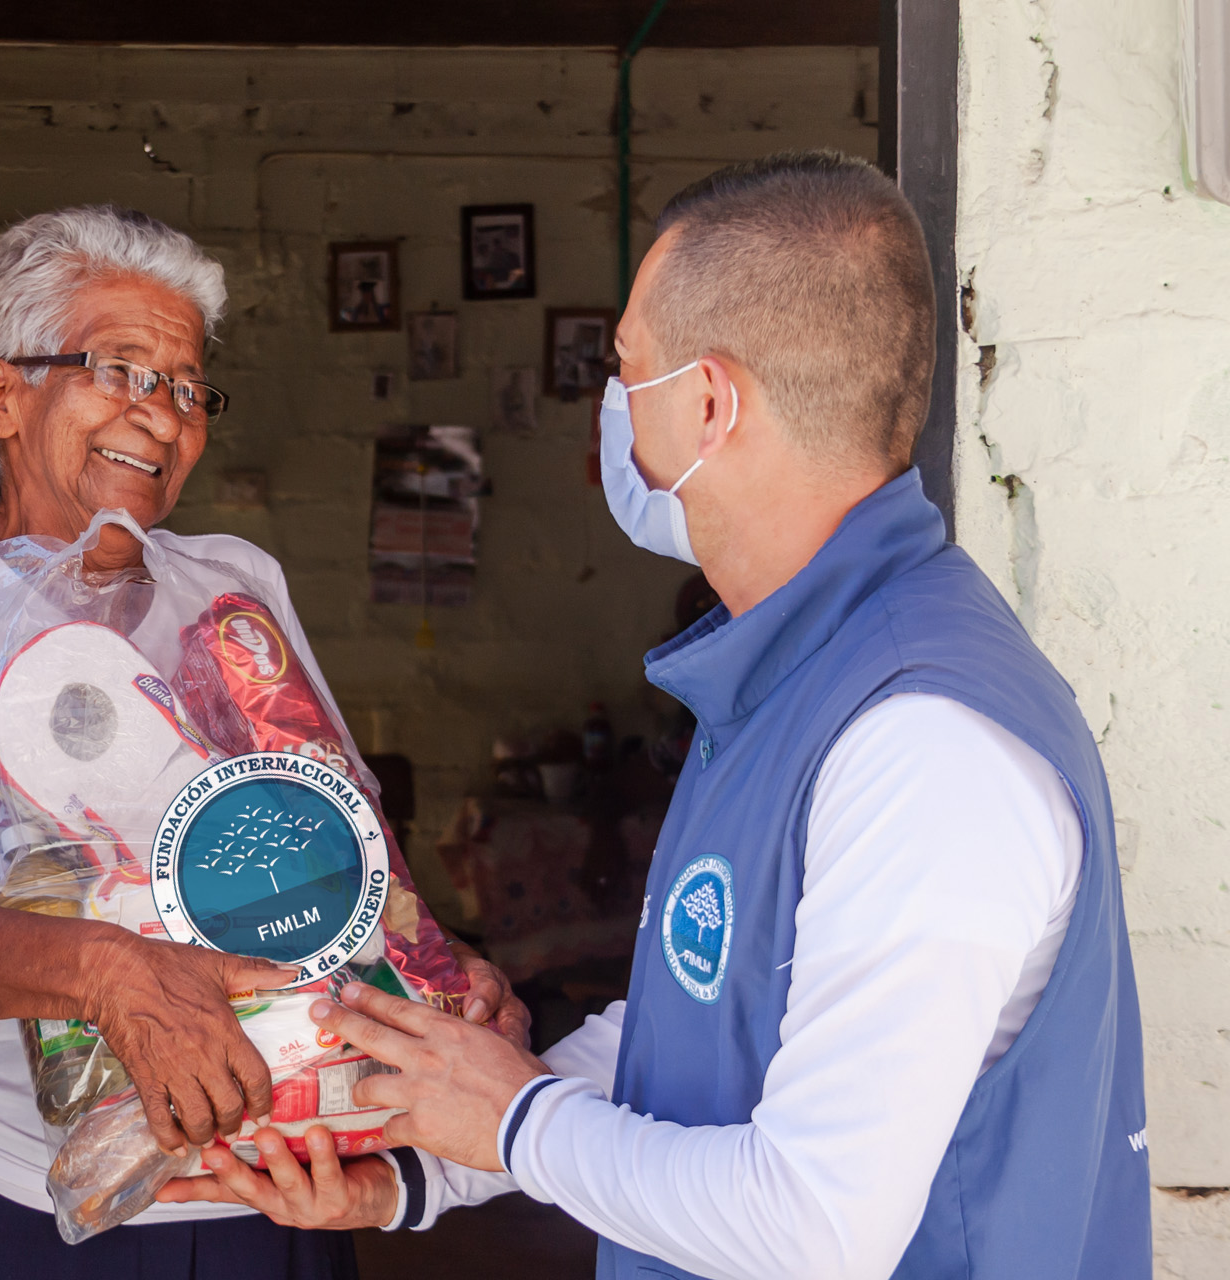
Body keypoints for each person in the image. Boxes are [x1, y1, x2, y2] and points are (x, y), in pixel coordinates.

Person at [164, 151, 1153, 1280]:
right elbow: (693, 1025)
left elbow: (815, 1226)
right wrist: (424, 1163)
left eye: (624, 367)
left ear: (711, 401)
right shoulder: (796, 670)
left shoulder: (921, 743)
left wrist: (517, 1118)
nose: (613, 409)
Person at [0, 204, 523, 1279]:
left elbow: (335, 853)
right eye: (121, 368)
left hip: (267, 1171)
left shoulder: (231, 587)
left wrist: (437, 972)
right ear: (0, 393)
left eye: (186, 389)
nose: (163, 413)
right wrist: (115, 978)